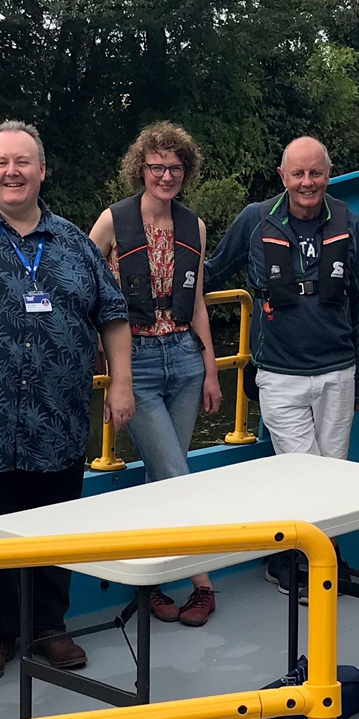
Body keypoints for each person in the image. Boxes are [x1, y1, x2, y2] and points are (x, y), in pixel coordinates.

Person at [0, 122, 134, 681]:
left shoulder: (74, 244)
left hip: (58, 416)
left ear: (42, 171)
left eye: (23, 162)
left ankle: (49, 628)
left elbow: (113, 316)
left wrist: (120, 383)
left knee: (55, 526)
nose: (12, 172)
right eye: (1, 163)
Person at [205, 136, 359, 595]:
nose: (306, 182)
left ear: (328, 175)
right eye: (297, 173)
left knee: (332, 471)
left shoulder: (351, 225)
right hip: (279, 373)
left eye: (315, 172)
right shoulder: (255, 221)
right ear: (282, 177)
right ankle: (306, 563)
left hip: (337, 370)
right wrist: (167, 308)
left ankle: (304, 560)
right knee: (303, 471)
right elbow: (212, 272)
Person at [87, 122, 224, 627]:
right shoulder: (111, 222)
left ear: (185, 172)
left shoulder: (195, 226)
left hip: (185, 359)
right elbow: (85, 285)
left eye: (174, 168)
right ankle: (204, 582)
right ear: (140, 169)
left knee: (166, 475)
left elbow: (200, 301)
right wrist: (106, 363)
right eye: (156, 167)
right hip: (137, 361)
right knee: (174, 473)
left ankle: (154, 584)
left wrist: (211, 367)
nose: (165, 176)